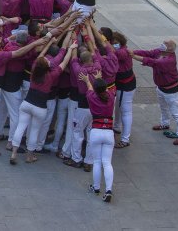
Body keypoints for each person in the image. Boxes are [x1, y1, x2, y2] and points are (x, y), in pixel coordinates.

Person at [0, 34, 50, 156]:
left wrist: (10, 38)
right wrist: (36, 43)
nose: (2, 39)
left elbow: (7, 41)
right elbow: (18, 52)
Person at [9, 40, 74, 165]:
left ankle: (14, 153)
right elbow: (64, 62)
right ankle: (29, 156)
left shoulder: (34, 70)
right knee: (34, 131)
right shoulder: (51, 75)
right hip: (40, 107)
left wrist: (48, 44)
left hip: (27, 103)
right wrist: (70, 49)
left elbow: (40, 56)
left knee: (20, 127)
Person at [131, 40, 178, 145]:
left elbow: (152, 62)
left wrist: (133, 56)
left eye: (165, 44)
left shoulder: (168, 60)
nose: (162, 44)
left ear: (169, 49)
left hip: (171, 90)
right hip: (161, 87)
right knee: (163, 107)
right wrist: (133, 51)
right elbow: (148, 53)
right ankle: (165, 123)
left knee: (177, 113)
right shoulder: (160, 52)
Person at [82, 74, 115, 202]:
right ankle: (108, 190)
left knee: (96, 161)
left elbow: (90, 88)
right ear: (105, 88)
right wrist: (99, 78)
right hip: (109, 133)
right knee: (107, 162)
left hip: (96, 131)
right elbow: (104, 89)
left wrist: (87, 80)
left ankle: (96, 187)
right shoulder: (111, 96)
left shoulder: (91, 97)